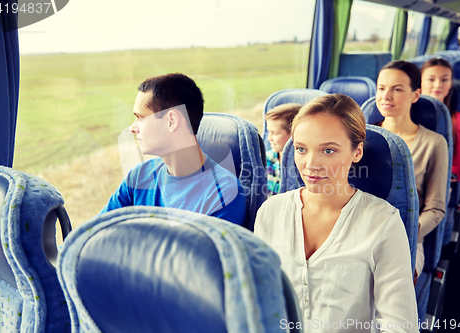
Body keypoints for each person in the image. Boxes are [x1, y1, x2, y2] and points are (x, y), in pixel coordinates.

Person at [255, 94, 418, 333]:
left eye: (328, 150)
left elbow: (399, 326)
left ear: (357, 152)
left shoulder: (383, 222)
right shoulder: (271, 211)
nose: (311, 164)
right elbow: (256, 299)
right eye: (301, 149)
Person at [100, 73, 246, 226]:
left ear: (171, 121)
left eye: (140, 118)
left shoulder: (223, 194)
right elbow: (96, 233)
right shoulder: (138, 177)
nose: (132, 128)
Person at [376, 60, 448, 276]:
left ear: (416, 95)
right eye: (381, 88)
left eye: (397, 89)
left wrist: (403, 233)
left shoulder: (434, 143)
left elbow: (436, 210)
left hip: (406, 239)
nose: (386, 96)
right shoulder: (361, 138)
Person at [420, 57, 460, 183]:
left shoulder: (459, 121)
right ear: (420, 83)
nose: (438, 85)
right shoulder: (404, 115)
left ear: (450, 84)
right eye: (431, 79)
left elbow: (458, 170)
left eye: (444, 79)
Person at [265, 103, 302, 196]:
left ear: (293, 134)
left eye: (275, 133)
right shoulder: (266, 158)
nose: (269, 138)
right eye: (269, 132)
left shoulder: (301, 164)